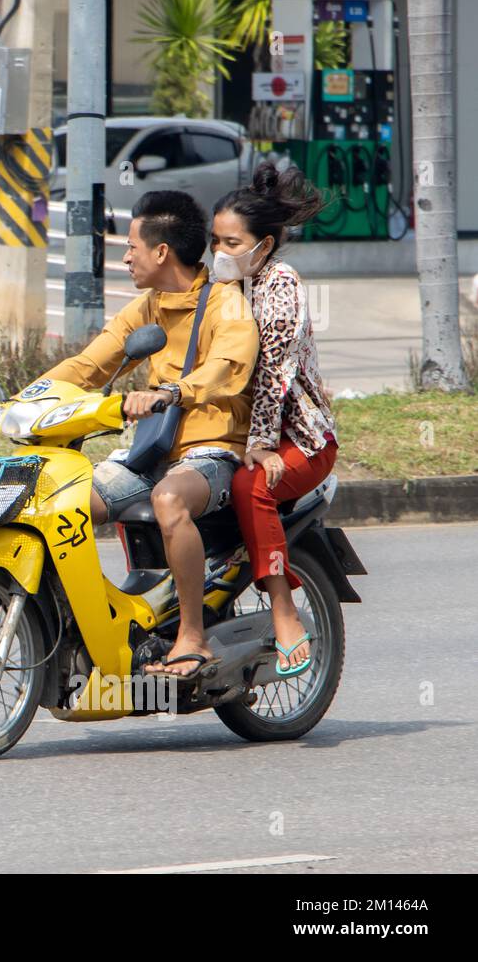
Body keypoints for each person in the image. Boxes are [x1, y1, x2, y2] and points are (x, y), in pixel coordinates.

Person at [0, 191, 259, 680]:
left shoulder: (226, 303)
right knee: (61, 504)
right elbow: (89, 366)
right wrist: (24, 402)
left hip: (211, 450)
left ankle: (193, 636)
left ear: (162, 252)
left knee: (170, 499)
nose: (125, 256)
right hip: (151, 450)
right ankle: (86, 625)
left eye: (132, 246)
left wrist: (173, 392)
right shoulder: (148, 307)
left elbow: (227, 368)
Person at [214, 163, 335, 677]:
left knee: (251, 487)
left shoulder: (279, 284)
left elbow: (273, 373)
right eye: (215, 239)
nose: (220, 251)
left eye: (232, 241)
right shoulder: (231, 286)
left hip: (301, 440)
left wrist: (262, 444)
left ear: (262, 245)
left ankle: (284, 613)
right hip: (245, 430)